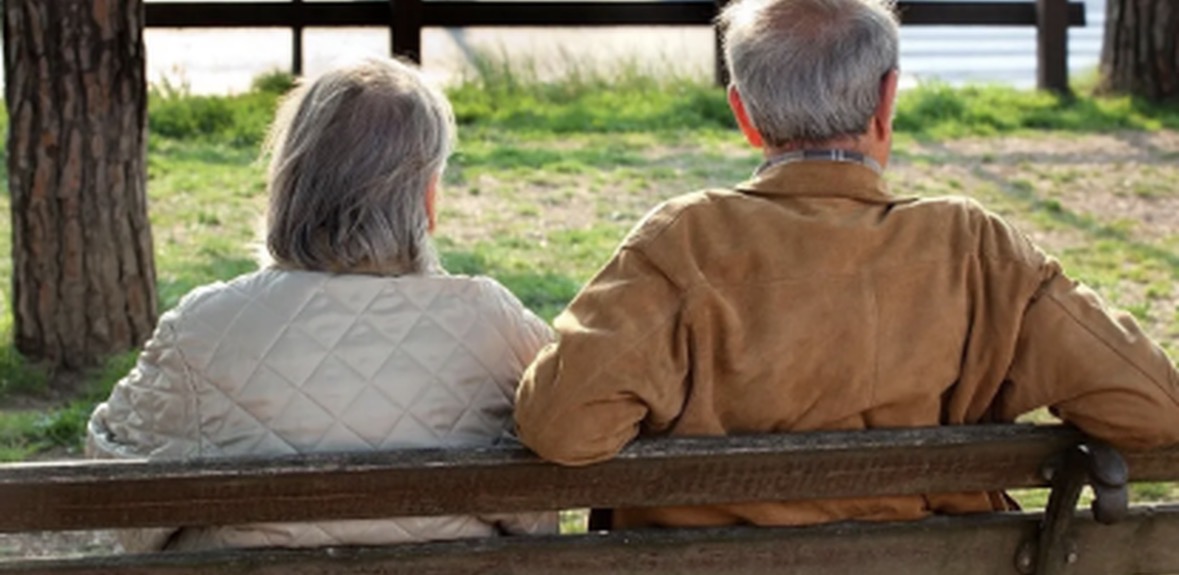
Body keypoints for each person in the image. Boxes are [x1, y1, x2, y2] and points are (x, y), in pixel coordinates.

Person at [514, 0, 1179, 529]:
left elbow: (562, 427)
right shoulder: (975, 248)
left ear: (744, 114)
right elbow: (1155, 409)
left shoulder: (681, 241)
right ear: (888, 100)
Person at [87, 57, 557, 551]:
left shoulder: (202, 329)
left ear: (289, 188)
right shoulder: (493, 323)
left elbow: (119, 483)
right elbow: (540, 504)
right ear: (427, 200)